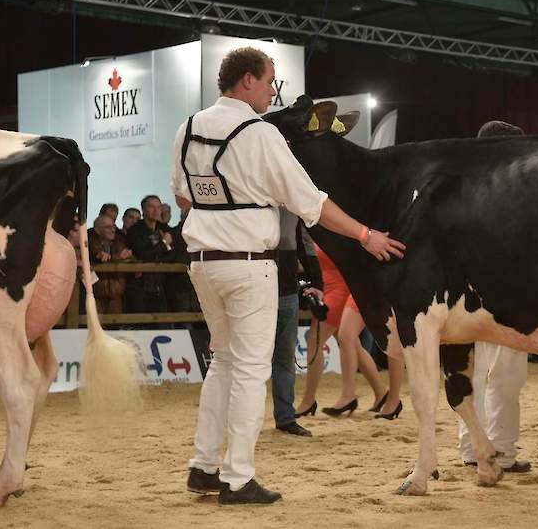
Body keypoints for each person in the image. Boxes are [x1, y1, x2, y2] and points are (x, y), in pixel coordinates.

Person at [173, 46, 405, 505]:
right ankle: (236, 478)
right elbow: (312, 205)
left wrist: (226, 204)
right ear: (246, 81)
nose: (272, 90)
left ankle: (203, 466)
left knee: (222, 362)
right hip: (247, 264)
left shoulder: (188, 128)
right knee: (250, 371)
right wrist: (364, 234)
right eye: (268, 81)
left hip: (203, 263)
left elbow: (182, 198)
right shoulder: (259, 134)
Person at [456, 120, 532, 473]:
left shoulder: (459, 186)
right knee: (503, 372)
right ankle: (497, 449)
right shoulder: (518, 192)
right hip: (502, 294)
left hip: (468, 295)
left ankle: (476, 447)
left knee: (478, 371)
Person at [294, 245, 405, 420]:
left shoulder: (341, 225)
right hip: (352, 284)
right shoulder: (324, 227)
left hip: (349, 285)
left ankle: (311, 401)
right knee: (350, 341)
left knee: (385, 339)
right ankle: (376, 393)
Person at [270, 212, 323, 437]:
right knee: (253, 361)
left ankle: (285, 418)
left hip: (287, 286)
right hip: (255, 286)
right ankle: (240, 421)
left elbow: (303, 241)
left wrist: (316, 281)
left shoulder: (291, 203)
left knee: (284, 356)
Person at [125, 194, 176, 318]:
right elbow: (142, 254)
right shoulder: (135, 231)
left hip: (163, 285)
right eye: (151, 207)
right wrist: (163, 245)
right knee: (142, 324)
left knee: (163, 323)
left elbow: (173, 255)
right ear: (143, 210)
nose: (155, 210)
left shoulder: (165, 229)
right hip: (141, 286)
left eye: (158, 207)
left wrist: (156, 253)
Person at [87, 214, 133, 315]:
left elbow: (130, 259)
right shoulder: (89, 244)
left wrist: (129, 257)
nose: (112, 230)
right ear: (97, 230)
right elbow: (96, 259)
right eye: (108, 227)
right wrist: (117, 257)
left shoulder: (121, 242)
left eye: (113, 226)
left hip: (117, 297)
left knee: (116, 329)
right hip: (96, 296)